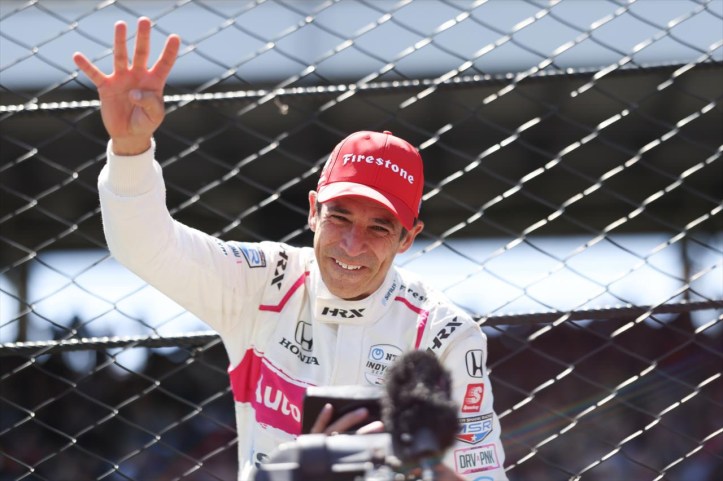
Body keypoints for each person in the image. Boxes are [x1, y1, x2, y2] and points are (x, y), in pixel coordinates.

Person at [73, 17, 508, 481]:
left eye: (379, 228)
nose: (352, 244)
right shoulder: (262, 281)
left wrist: (415, 467)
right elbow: (145, 245)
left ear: (408, 237)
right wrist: (131, 148)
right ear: (313, 211)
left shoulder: (444, 334)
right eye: (340, 216)